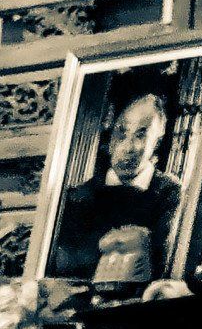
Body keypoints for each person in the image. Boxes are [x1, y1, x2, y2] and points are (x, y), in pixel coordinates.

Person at [53, 86, 181, 284]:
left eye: (140, 135)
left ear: (157, 141)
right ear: (110, 134)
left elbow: (162, 267)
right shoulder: (79, 196)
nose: (128, 147)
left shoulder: (169, 193)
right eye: (121, 133)